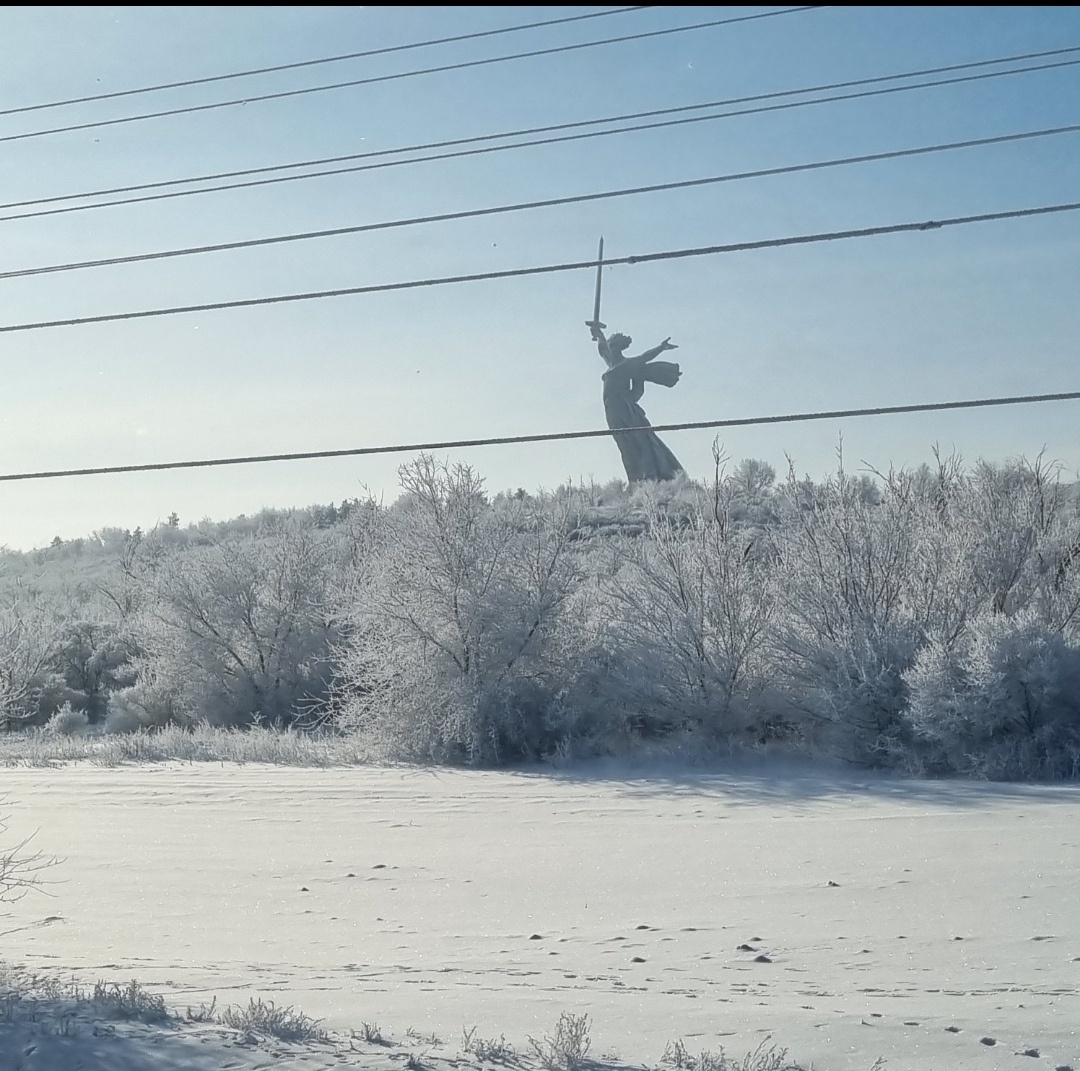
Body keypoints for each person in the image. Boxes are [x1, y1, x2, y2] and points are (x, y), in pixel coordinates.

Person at [586, 320, 684, 484]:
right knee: (625, 445)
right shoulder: (612, 362)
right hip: (612, 411)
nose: (608, 347)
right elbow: (602, 349)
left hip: (624, 410)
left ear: (616, 346)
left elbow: (645, 358)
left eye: (611, 344)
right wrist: (598, 333)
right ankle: (636, 480)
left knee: (639, 442)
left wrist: (661, 347)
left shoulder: (628, 364)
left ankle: (650, 478)